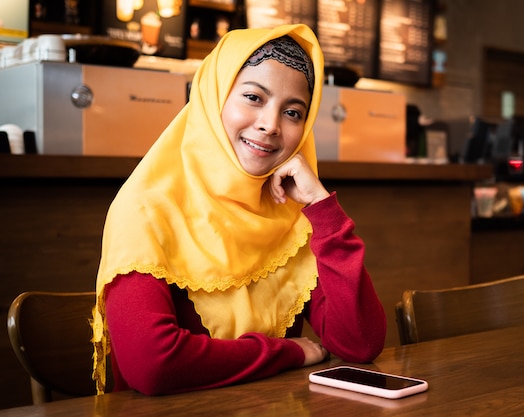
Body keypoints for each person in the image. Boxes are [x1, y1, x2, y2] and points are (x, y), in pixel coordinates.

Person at [92, 24, 387, 396]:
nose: (270, 125)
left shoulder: (290, 215)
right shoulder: (145, 209)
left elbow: (359, 345)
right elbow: (153, 366)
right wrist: (287, 352)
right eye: (253, 97)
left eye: (294, 113)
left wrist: (321, 208)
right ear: (213, 98)